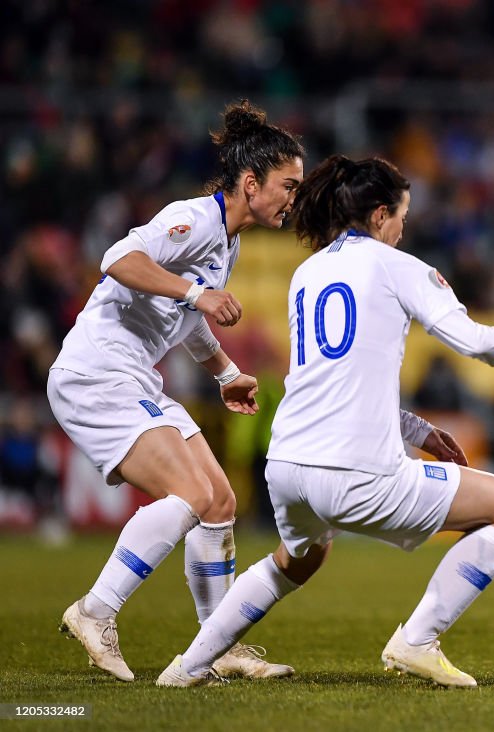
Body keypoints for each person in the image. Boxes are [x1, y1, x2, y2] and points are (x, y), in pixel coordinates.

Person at [155, 154, 494, 688]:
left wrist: (416, 430)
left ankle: (188, 666)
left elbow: (335, 377)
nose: (404, 228)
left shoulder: (308, 271)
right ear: (382, 214)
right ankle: (418, 641)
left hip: (288, 466)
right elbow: (474, 341)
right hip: (356, 472)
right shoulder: (397, 267)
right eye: (402, 215)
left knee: (299, 559)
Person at [49, 100, 304, 682]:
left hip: (134, 375)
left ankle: (219, 646)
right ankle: (96, 609)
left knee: (219, 503)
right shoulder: (193, 218)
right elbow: (118, 259)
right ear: (250, 182)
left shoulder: (229, 243)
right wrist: (196, 293)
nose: (294, 197)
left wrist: (224, 372)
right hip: (96, 371)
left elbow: (183, 318)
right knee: (190, 494)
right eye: (288, 185)